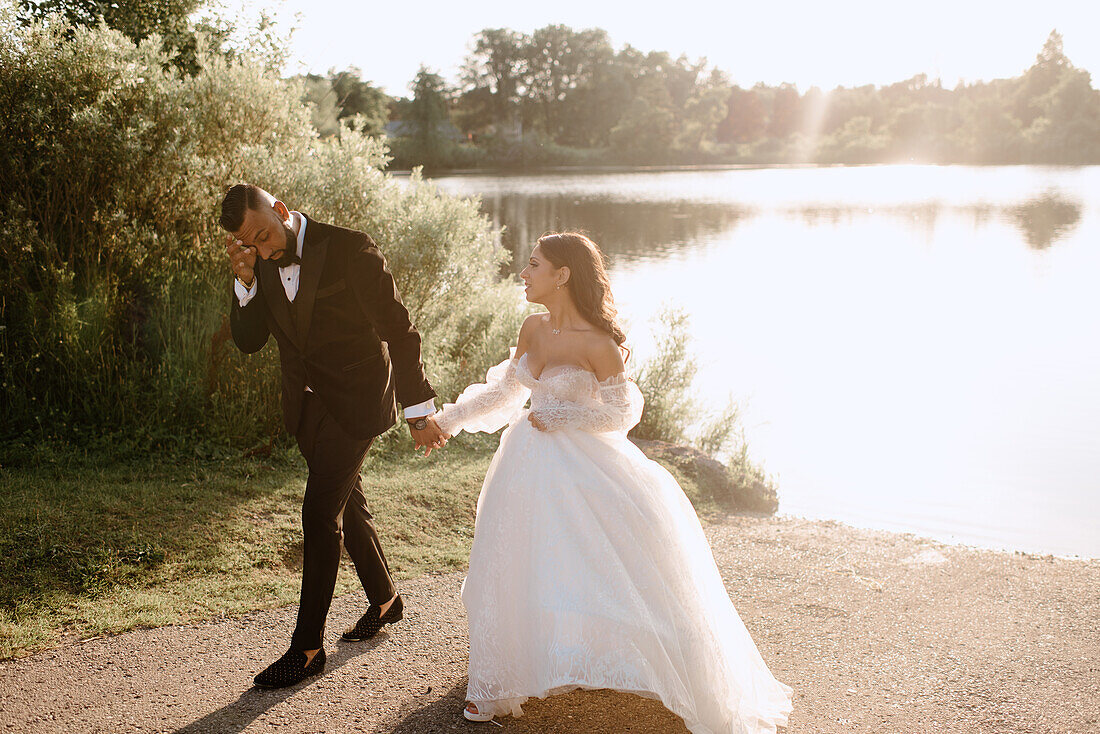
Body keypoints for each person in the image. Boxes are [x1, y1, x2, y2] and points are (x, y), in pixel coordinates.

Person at [434, 233, 793, 733]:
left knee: (609, 564)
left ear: (562, 275)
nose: (524, 272)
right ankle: (494, 685)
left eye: (534, 264)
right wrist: (446, 421)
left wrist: (566, 414)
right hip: (524, 464)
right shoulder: (532, 327)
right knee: (510, 563)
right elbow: (504, 392)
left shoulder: (599, 343)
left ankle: (655, 663)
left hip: (586, 465)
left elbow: (624, 413)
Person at [220, 184, 448, 688]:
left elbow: (399, 330)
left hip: (358, 401)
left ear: (280, 211)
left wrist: (417, 410)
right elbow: (250, 341)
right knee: (349, 504)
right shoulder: (258, 263)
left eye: (263, 235)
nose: (261, 249)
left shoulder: (349, 246)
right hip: (305, 409)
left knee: (320, 514)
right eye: (248, 245)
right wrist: (245, 284)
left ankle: (306, 650)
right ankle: (386, 601)